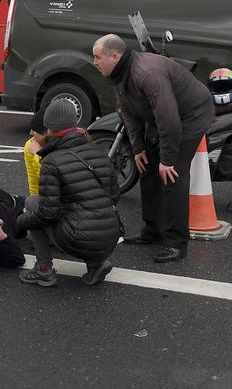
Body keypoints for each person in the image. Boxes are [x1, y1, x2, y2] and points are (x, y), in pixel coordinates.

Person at [92, 33, 214, 263]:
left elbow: (169, 121)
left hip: (190, 115)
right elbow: (128, 113)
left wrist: (167, 160)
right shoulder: (120, 73)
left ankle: (176, 242)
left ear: (115, 56)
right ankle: (153, 229)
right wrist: (139, 149)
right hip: (161, 118)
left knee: (172, 176)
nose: (94, 62)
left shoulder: (147, 74)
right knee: (147, 167)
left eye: (97, 57)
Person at [16, 99, 119, 287]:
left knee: (33, 204)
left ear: (49, 129)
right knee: (85, 209)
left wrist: (20, 223)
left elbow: (47, 213)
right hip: (111, 236)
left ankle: (44, 270)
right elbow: (113, 196)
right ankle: (96, 264)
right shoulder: (98, 151)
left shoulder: (52, 161)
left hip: (79, 238)